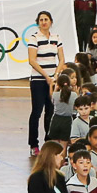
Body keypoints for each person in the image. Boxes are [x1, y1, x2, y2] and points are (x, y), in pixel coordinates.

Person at [27, 9, 66, 154]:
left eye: (46, 19)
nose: (44, 22)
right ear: (38, 23)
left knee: (51, 111)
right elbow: (32, 60)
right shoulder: (33, 38)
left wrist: (55, 76)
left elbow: (61, 59)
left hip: (53, 80)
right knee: (36, 112)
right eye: (41, 20)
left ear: (51, 22)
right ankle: (33, 144)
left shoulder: (56, 37)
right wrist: (46, 76)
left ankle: (49, 142)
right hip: (38, 80)